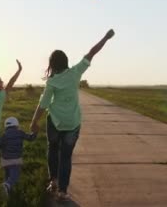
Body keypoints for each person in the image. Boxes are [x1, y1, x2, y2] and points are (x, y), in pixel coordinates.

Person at [30, 29, 115, 201]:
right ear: (66, 62)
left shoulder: (52, 82)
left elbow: (43, 105)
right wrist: (106, 37)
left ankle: (53, 181)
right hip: (73, 124)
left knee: (53, 150)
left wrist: (34, 122)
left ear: (52, 65)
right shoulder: (76, 72)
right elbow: (92, 53)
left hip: (54, 122)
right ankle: (62, 191)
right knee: (66, 157)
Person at [0, 116, 37, 198]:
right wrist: (35, 132)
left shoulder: (4, 136)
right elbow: (30, 138)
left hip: (5, 160)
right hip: (16, 159)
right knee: (14, 176)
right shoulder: (20, 133)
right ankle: (7, 185)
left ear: (6, 126)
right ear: (16, 125)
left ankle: (7, 191)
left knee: (7, 175)